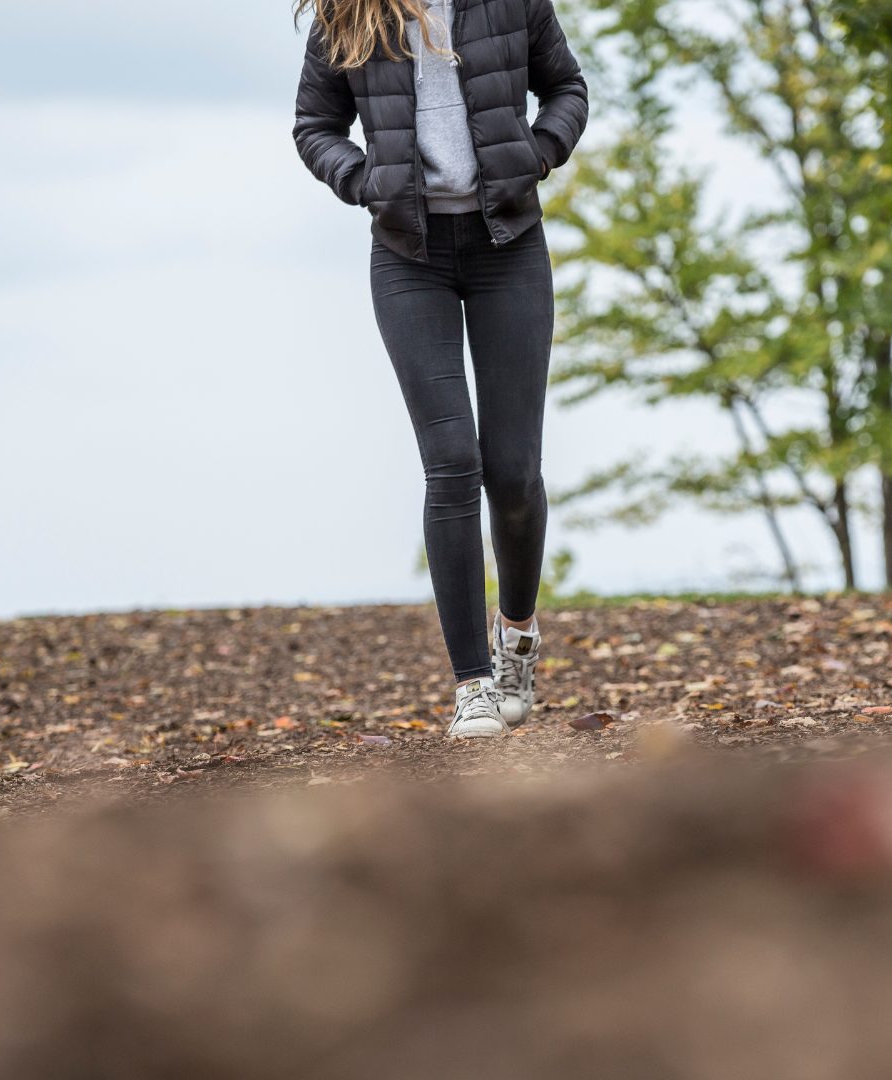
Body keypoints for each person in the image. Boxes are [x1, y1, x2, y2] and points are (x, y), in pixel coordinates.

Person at [291, 0, 588, 738]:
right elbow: (314, 126)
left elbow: (567, 88)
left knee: (513, 471)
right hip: (408, 257)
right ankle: (474, 686)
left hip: (509, 247)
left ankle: (516, 637)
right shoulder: (350, 12)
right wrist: (364, 183)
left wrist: (540, 153)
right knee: (451, 460)